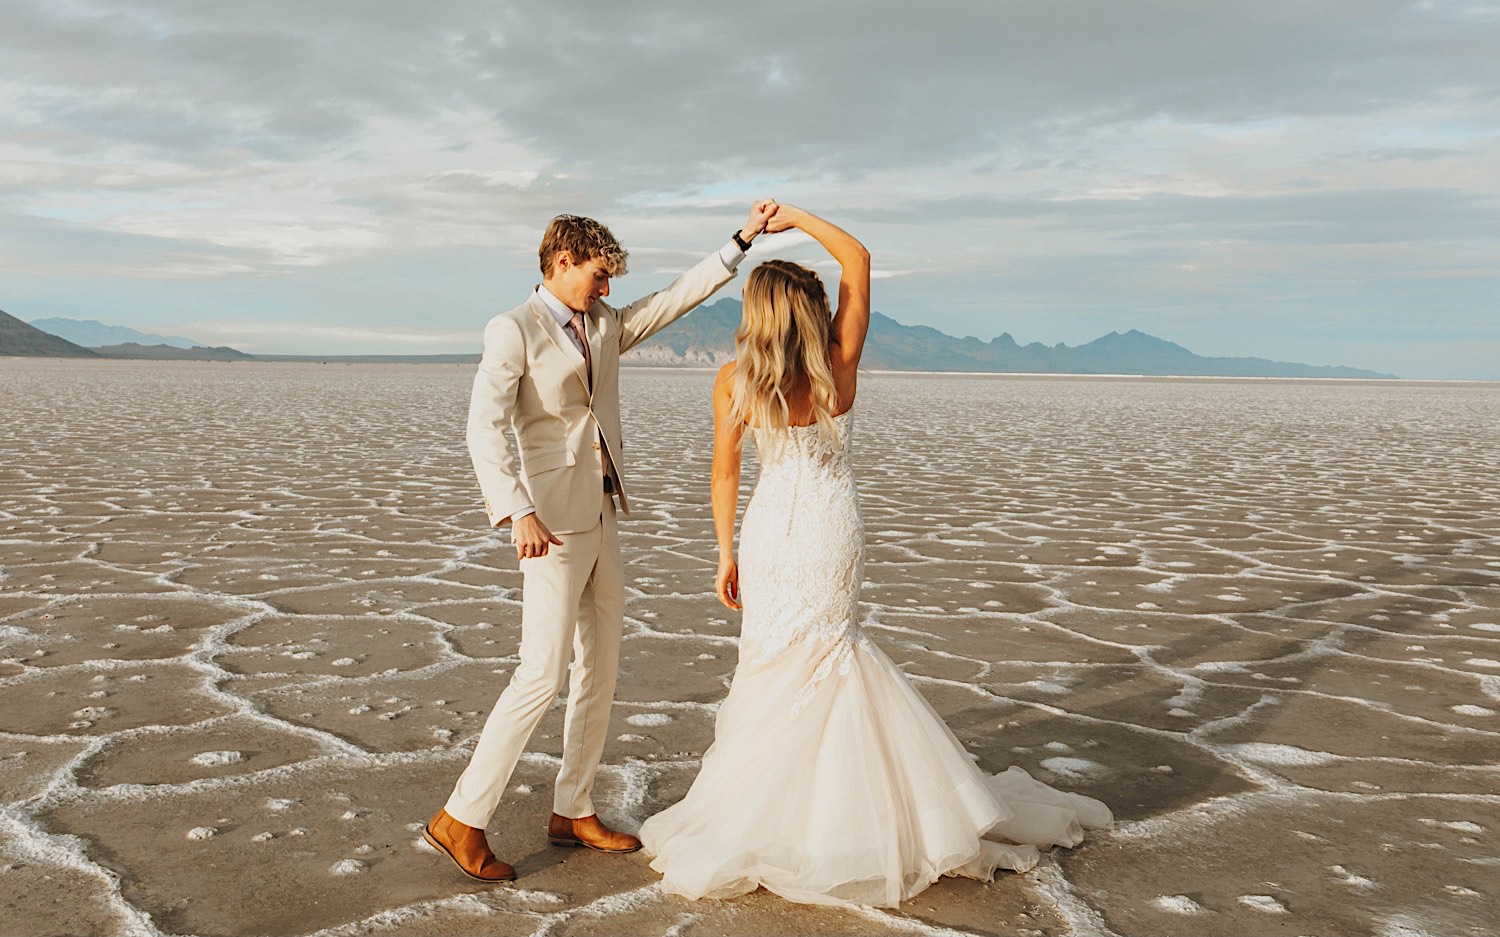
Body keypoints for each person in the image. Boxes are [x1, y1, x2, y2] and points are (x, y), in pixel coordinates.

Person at [637, 205, 1112, 907]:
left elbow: (723, 475)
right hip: (830, 529)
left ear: (758, 312)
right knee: (828, 657)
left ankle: (783, 820)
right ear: (809, 312)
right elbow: (857, 259)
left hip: (770, 533)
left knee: (771, 665)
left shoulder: (734, 379)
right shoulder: (837, 367)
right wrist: (791, 216)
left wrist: (722, 552)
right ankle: (842, 822)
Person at [426, 200, 779, 882]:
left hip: (604, 514)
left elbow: (675, 299)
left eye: (611, 278)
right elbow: (482, 428)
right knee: (539, 673)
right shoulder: (515, 330)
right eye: (598, 273)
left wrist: (739, 242)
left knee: (601, 668)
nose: (606, 287)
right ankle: (460, 817)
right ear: (561, 262)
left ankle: (573, 806)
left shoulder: (606, 323)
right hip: (550, 524)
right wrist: (515, 509)